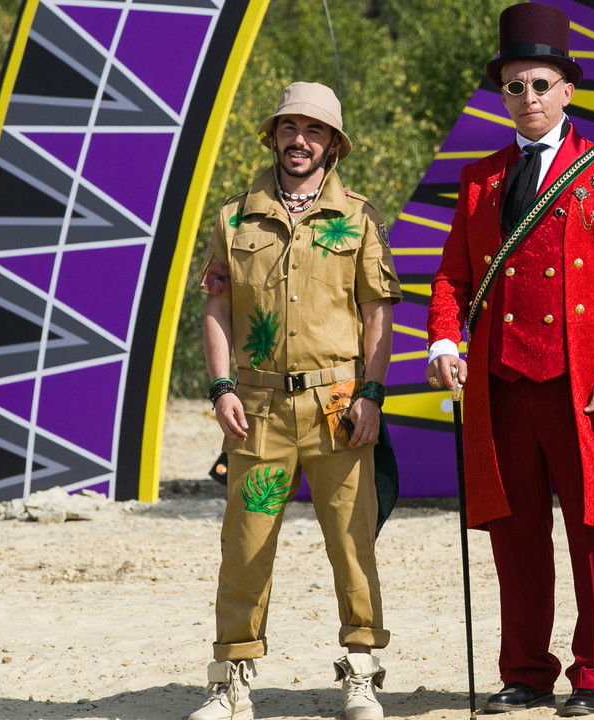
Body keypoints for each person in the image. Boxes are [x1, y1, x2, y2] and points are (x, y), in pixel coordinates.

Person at [426, 3, 594, 715]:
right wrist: (444, 338)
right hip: (502, 381)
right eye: (514, 86)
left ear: (567, 90)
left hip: (582, 383)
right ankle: (525, 670)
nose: (527, 97)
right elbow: (453, 275)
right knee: (515, 533)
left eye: (540, 84)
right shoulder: (479, 178)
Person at [191, 81, 402, 720]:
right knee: (246, 544)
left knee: (351, 542)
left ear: (332, 144)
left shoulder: (359, 218)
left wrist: (371, 395)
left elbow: (377, 314)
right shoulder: (235, 218)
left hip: (338, 408)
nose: (300, 141)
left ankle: (361, 673)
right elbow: (217, 306)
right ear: (274, 137)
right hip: (258, 411)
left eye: (314, 131)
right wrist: (221, 387)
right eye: (289, 128)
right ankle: (231, 681)